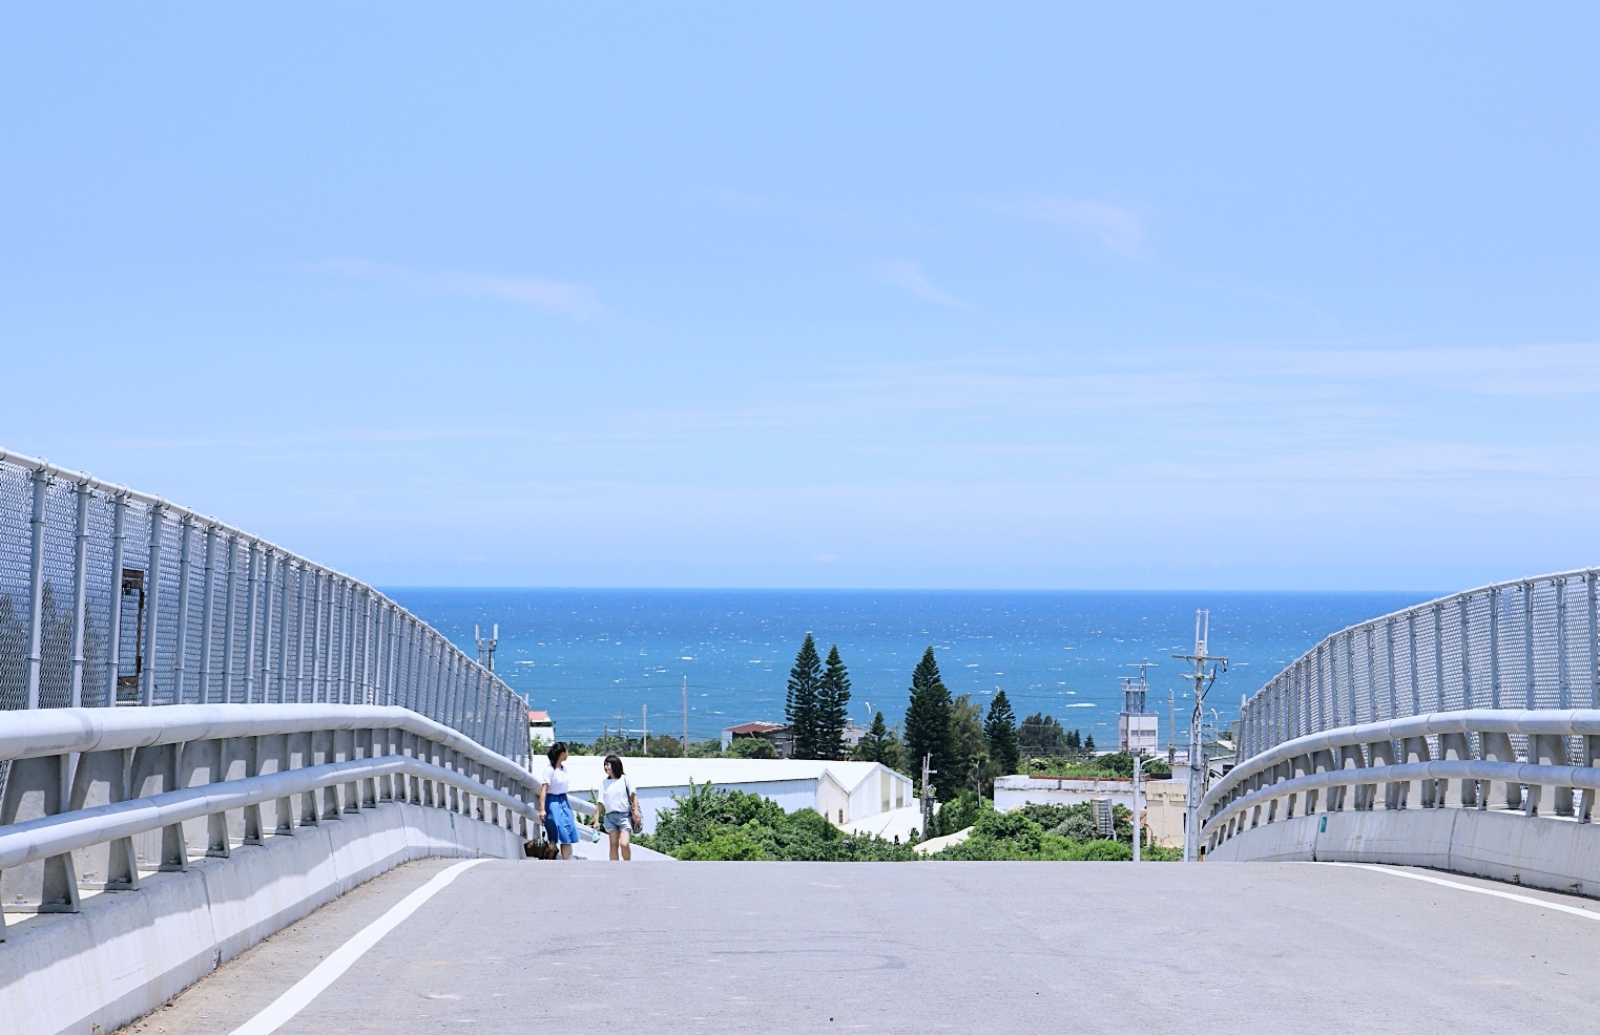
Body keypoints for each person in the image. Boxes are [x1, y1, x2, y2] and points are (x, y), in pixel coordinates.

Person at [537, 742, 581, 859]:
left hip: (563, 800)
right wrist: (541, 809)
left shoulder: (563, 769)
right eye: (566, 751)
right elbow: (543, 790)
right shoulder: (550, 770)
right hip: (552, 801)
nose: (567, 754)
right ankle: (551, 859)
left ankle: (565, 860)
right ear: (561, 754)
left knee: (567, 830)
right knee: (555, 830)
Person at [599, 753, 638, 862]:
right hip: (610, 817)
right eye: (605, 765)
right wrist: (596, 818)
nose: (606, 767)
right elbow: (600, 802)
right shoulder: (604, 782)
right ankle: (614, 868)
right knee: (613, 844)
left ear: (615, 765)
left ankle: (627, 864)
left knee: (624, 844)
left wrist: (636, 814)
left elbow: (633, 796)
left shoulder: (625, 779)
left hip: (624, 816)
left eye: (608, 764)